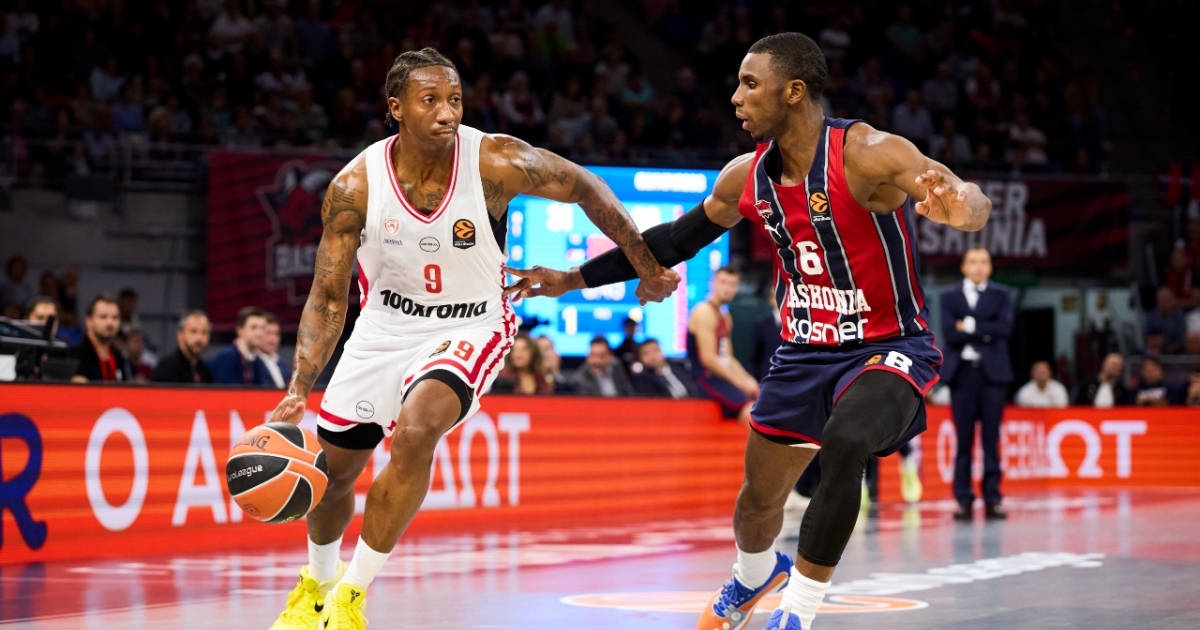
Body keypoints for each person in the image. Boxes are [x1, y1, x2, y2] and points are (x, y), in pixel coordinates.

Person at [504, 32, 990, 630]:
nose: (736, 97)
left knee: (845, 443)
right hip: (803, 353)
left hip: (888, 347)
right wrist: (572, 279)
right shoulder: (746, 176)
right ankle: (755, 575)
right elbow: (674, 240)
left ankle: (797, 613)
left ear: (794, 92)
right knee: (757, 504)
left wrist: (959, 206)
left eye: (750, 84)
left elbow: (967, 199)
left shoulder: (868, 153)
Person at [264, 48, 675, 630]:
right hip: (384, 327)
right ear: (396, 108)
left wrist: (646, 267)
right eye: (430, 100)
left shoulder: (495, 161)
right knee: (333, 476)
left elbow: (585, 186)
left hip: (472, 322)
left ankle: (351, 596)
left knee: (417, 430)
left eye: (454, 99)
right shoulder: (354, 187)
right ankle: (316, 589)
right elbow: (329, 298)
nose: (447, 112)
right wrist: (298, 386)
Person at [940, 247, 1013, 521]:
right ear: (963, 266)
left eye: (983, 262)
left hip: (993, 376)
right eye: (973, 262)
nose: (978, 266)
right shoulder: (949, 296)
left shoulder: (1002, 295)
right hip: (962, 376)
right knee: (964, 440)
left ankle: (993, 498)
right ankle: (964, 499)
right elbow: (949, 333)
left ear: (991, 267)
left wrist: (969, 326)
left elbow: (1004, 329)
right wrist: (985, 330)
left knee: (991, 439)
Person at [687, 267, 758, 424]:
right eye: (723, 282)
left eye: (733, 284)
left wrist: (748, 380)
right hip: (704, 379)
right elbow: (708, 359)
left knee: (761, 402)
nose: (727, 288)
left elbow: (728, 357)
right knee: (753, 414)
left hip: (719, 377)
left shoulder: (725, 317)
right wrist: (740, 383)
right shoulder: (704, 312)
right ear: (713, 283)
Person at [71, 294, 132, 383]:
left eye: (115, 318)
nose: (110, 323)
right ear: (89, 321)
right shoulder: (74, 354)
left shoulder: (119, 356)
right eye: (103, 317)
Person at [210, 306, 271, 385]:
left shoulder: (257, 362)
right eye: (253, 327)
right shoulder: (227, 357)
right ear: (240, 330)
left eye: (263, 328)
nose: (259, 333)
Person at [152, 310, 214, 384]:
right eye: (193, 331)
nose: (199, 338)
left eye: (204, 332)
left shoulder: (206, 371)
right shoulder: (166, 368)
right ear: (180, 335)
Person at [631, 337, 697, 398]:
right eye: (646, 353)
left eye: (655, 350)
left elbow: (694, 390)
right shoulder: (641, 379)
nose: (652, 356)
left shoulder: (680, 369)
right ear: (640, 357)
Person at [569, 335, 633, 397]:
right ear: (587, 357)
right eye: (593, 355)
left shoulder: (617, 366)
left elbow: (628, 391)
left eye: (601, 356)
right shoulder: (580, 380)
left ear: (610, 356)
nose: (597, 361)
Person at [16, 296, 57, 379]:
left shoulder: (66, 351)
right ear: (26, 319)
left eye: (51, 319)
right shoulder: (14, 348)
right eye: (40, 318)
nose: (46, 323)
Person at [750, 292, 783, 381]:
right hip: (766, 378)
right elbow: (755, 358)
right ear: (770, 300)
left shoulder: (799, 325)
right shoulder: (762, 325)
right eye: (776, 296)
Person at [258, 312, 291, 388]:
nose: (273, 339)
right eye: (268, 333)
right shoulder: (252, 364)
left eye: (276, 334)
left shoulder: (282, 364)